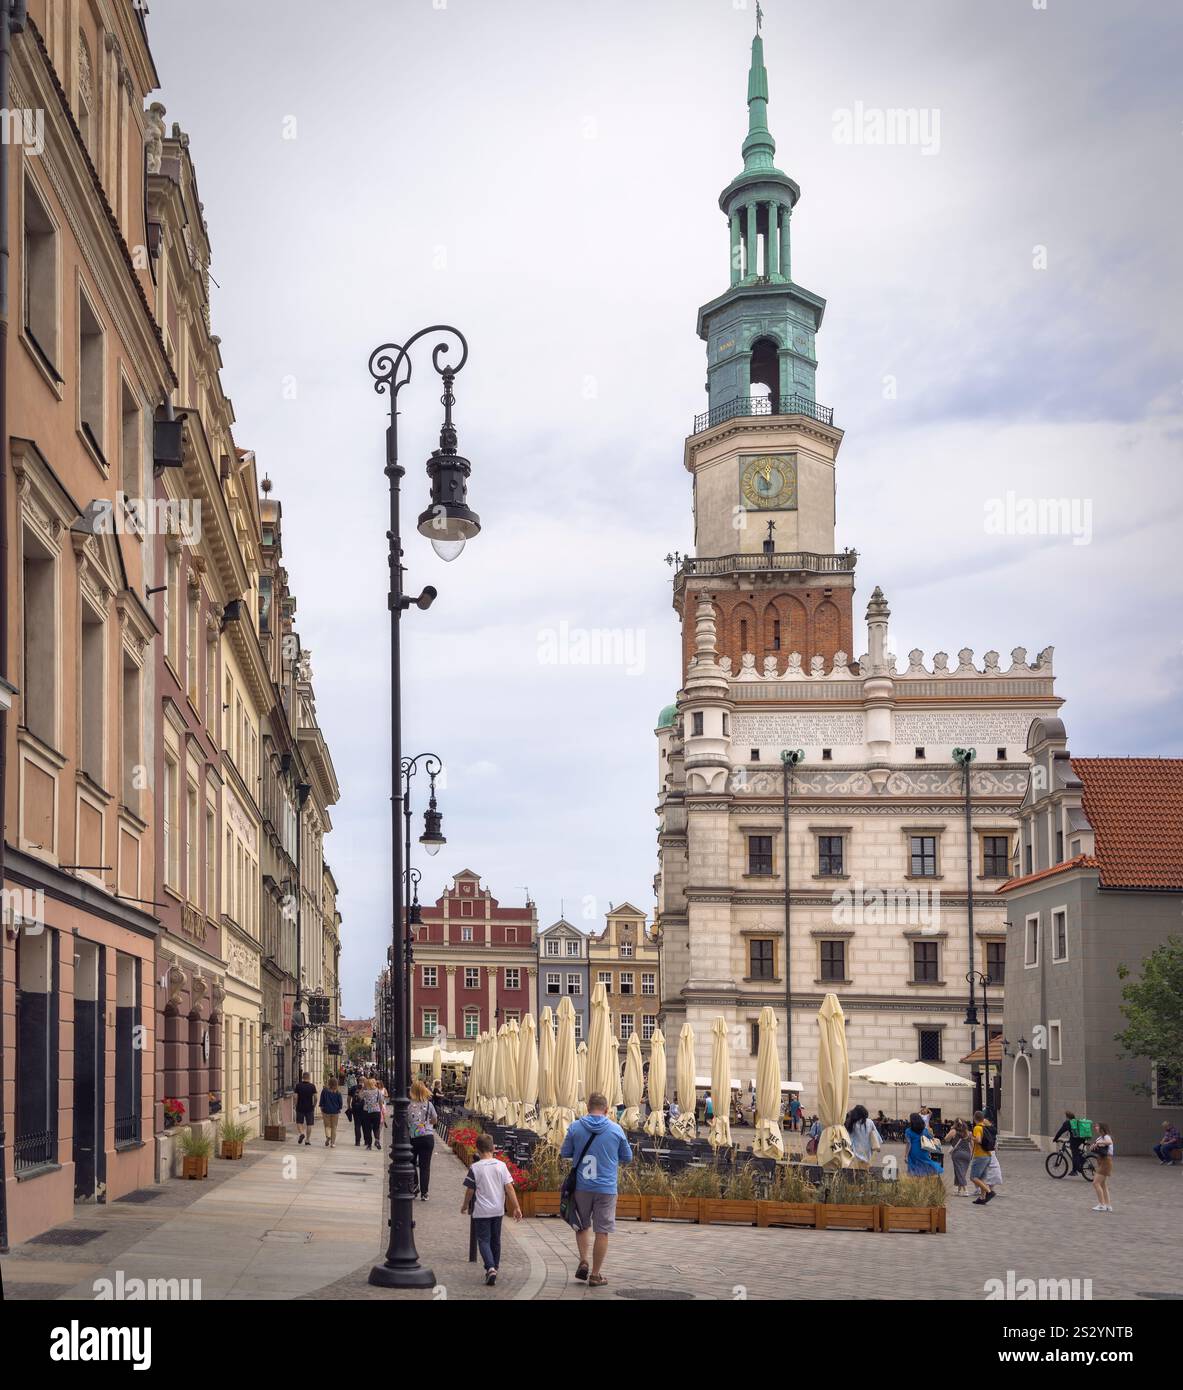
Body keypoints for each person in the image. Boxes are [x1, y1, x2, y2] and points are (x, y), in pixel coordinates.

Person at [559, 1090, 632, 1289]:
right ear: (607, 1110)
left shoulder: (575, 1127)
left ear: (587, 1108)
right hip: (606, 1188)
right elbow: (627, 1157)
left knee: (582, 1226)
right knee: (603, 1231)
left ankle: (583, 1259)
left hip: (582, 1186)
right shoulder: (616, 1130)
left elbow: (564, 1152)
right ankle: (595, 1274)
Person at [460, 1133, 522, 1286]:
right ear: (493, 1148)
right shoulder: (501, 1166)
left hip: (482, 1211)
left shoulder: (475, 1168)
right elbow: (509, 1187)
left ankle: (490, 1267)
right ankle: (495, 1266)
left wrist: (465, 1204)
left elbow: (470, 1190)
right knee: (496, 1240)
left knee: (483, 1240)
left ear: (477, 1150)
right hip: (498, 1210)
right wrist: (516, 1207)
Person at [408, 1080, 438, 1200]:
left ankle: (415, 1185)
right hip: (427, 1137)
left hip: (414, 1137)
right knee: (425, 1166)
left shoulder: (408, 1105)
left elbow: (406, 1121)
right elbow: (435, 1119)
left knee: (411, 1163)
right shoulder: (429, 1104)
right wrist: (426, 1125)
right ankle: (425, 1193)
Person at [969, 1109, 996, 1204]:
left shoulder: (977, 1128)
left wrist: (971, 1137)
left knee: (973, 1177)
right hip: (988, 1155)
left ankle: (989, 1192)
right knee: (982, 1178)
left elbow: (979, 1140)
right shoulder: (985, 1127)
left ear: (974, 1118)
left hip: (980, 1155)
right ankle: (982, 1197)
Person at [903, 1112, 943, 1177]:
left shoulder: (908, 1131)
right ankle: (923, 1179)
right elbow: (932, 1138)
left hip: (913, 1152)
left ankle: (916, 1182)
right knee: (925, 1164)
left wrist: (906, 1155)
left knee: (914, 1168)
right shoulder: (925, 1130)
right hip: (923, 1150)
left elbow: (908, 1144)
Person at [1052, 1110, 1089, 1177]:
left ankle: (1078, 1168)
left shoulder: (1067, 1123)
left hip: (1075, 1140)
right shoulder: (1077, 1121)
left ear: (1067, 1117)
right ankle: (1074, 1170)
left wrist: (1055, 1139)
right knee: (1076, 1152)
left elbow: (1060, 1132)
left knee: (1074, 1155)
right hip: (1081, 1139)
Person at [846, 1104, 881, 1169]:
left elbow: (848, 1139)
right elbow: (877, 1138)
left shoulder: (852, 1124)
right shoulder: (870, 1122)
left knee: (854, 1175)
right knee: (865, 1175)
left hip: (854, 1155)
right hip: (867, 1155)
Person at [944, 1118, 973, 1195]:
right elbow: (972, 1145)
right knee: (960, 1171)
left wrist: (951, 1129)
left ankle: (966, 1190)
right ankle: (958, 1190)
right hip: (967, 1154)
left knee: (959, 1171)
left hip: (957, 1153)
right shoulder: (968, 1132)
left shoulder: (954, 1131)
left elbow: (946, 1139)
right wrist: (972, 1154)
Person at [1091, 1123, 1115, 1212]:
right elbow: (1094, 1148)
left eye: (1097, 1126)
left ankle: (1102, 1204)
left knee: (1095, 1183)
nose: (1095, 1128)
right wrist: (1094, 1146)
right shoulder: (1100, 1138)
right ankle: (1108, 1205)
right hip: (1101, 1160)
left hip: (1106, 1161)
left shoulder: (1106, 1136)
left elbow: (1109, 1142)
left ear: (1102, 1128)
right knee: (1103, 1184)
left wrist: (1099, 1143)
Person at [293, 1071, 317, 1145]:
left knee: (299, 1122)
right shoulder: (312, 1086)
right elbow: (316, 1097)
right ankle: (307, 1140)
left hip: (300, 1106)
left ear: (302, 1077)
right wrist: (314, 1105)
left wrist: (295, 1104)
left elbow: (295, 1096)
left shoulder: (298, 1086)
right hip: (309, 1107)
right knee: (309, 1124)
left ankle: (301, 1133)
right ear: (309, 1077)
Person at [359, 1077, 382, 1151]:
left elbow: (360, 1096)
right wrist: (381, 1110)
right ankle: (377, 1139)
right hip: (376, 1111)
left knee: (368, 1129)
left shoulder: (366, 1092)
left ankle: (369, 1145)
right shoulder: (378, 1091)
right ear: (375, 1084)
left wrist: (362, 1089)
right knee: (376, 1127)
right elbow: (381, 1102)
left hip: (367, 1112)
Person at [320, 1076, 343, 1148]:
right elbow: (340, 1103)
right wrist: (339, 1108)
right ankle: (332, 1143)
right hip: (335, 1112)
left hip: (326, 1111)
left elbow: (322, 1100)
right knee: (334, 1127)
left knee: (327, 1126)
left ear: (329, 1083)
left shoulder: (325, 1091)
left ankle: (328, 1137)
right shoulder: (338, 1092)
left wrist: (322, 1107)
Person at [348, 1073, 366, 1147]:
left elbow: (348, 1099)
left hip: (355, 1108)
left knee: (357, 1125)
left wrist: (349, 1106)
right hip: (365, 1109)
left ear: (358, 1080)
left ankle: (357, 1141)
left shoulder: (353, 1088)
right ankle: (366, 1141)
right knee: (365, 1126)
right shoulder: (367, 1088)